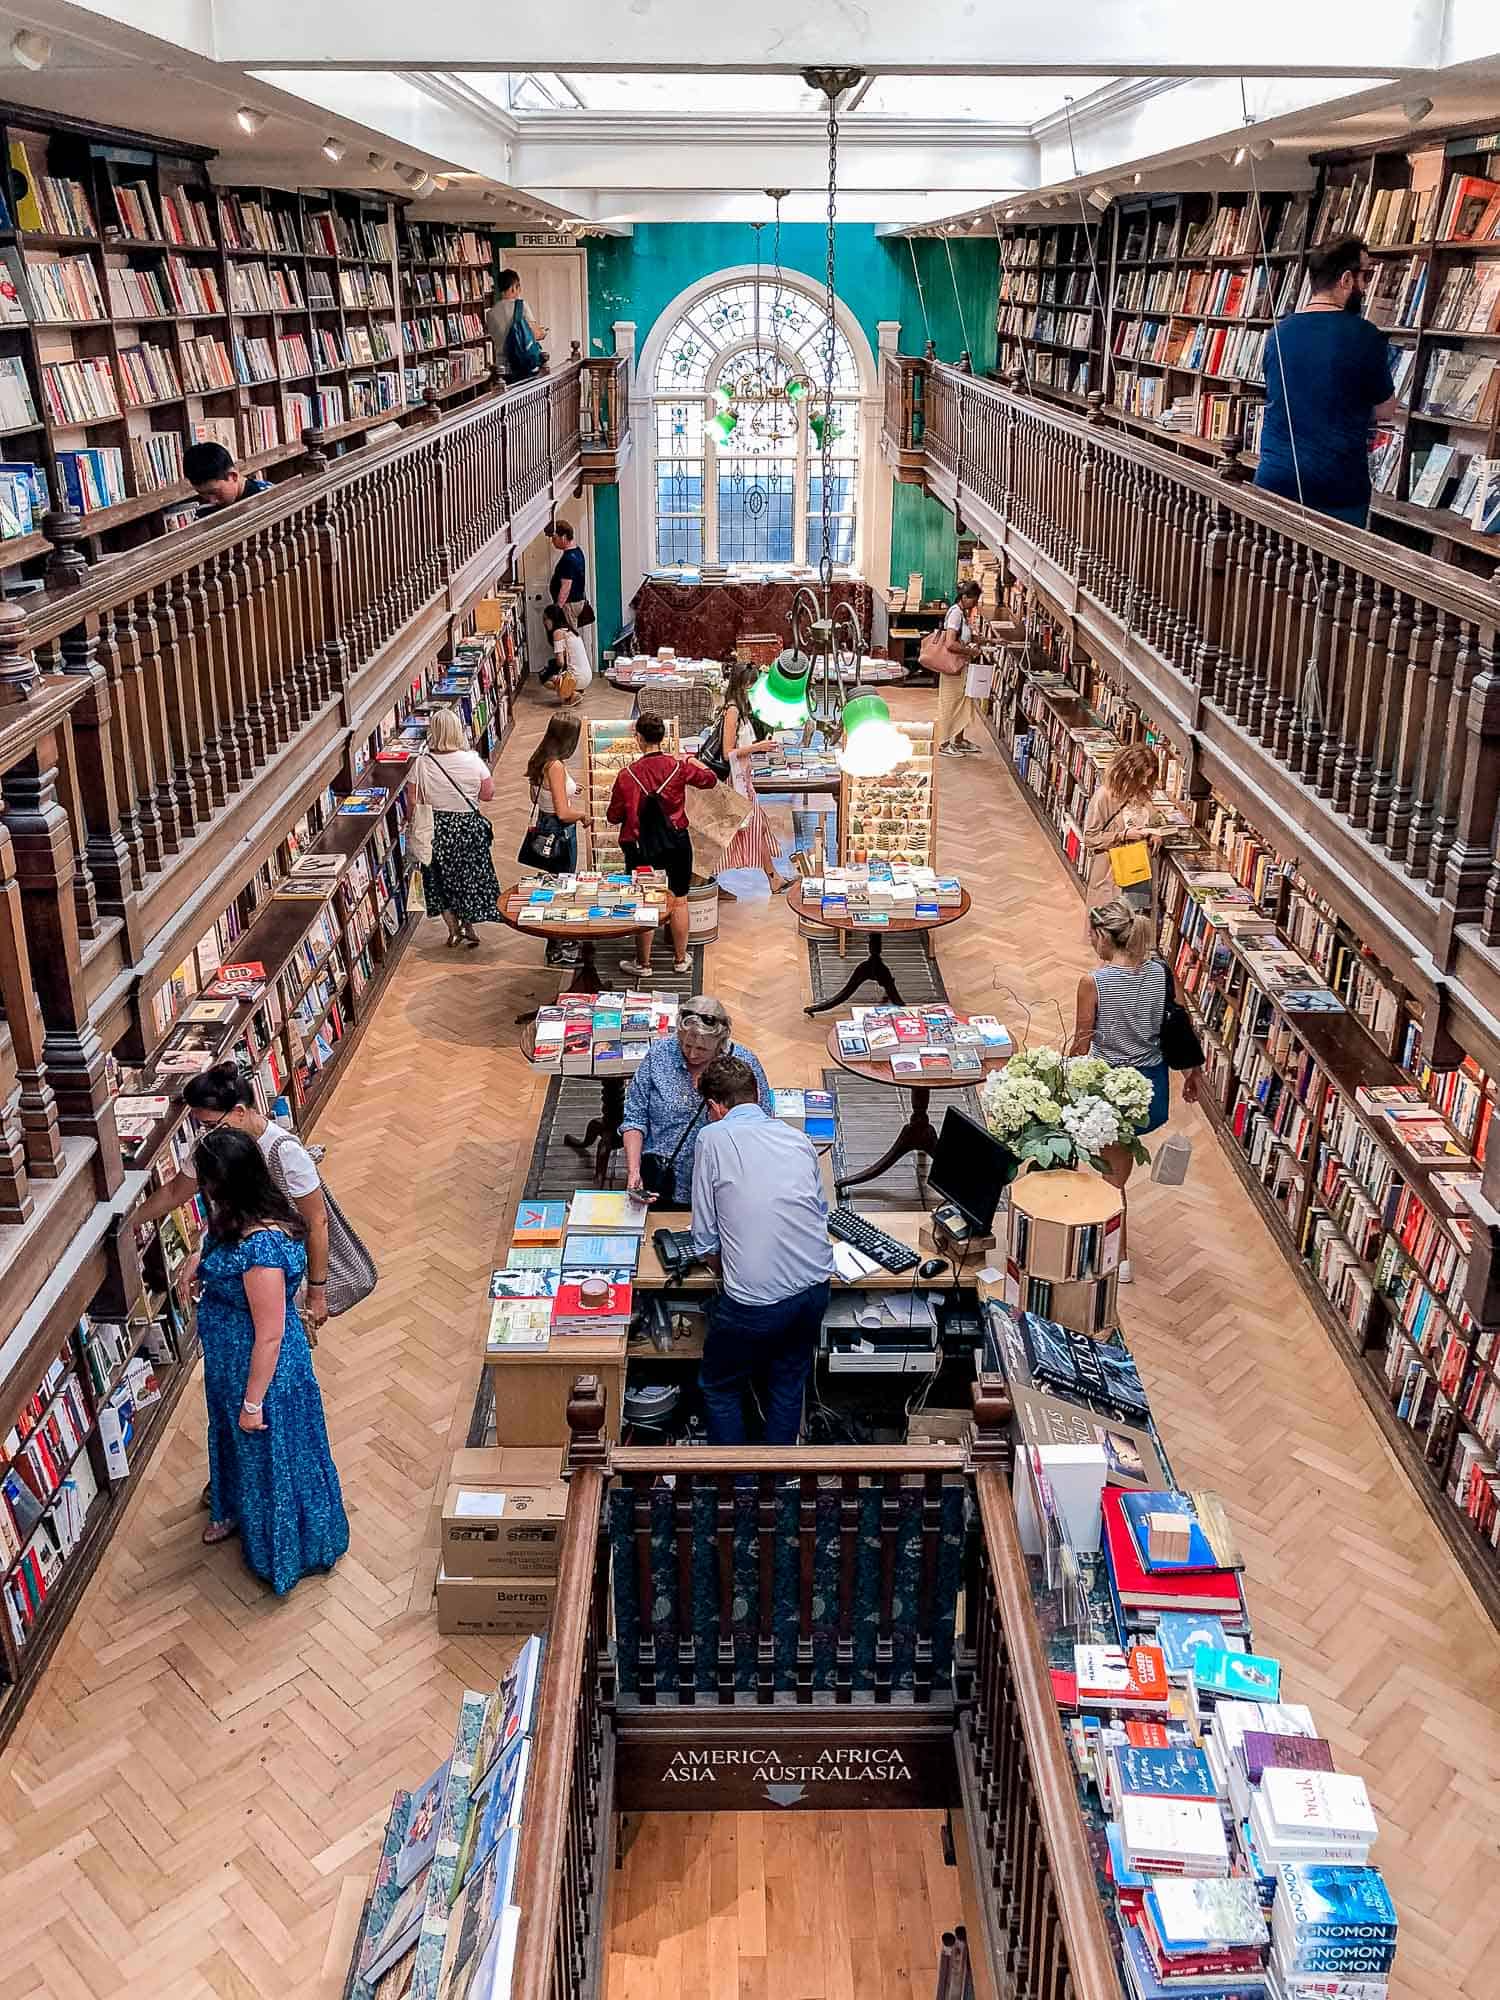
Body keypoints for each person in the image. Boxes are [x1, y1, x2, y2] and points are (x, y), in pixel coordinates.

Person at [191, 1127, 350, 1590]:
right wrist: (197, 1266)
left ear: (225, 1184)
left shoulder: (260, 1247)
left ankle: (287, 1549)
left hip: (261, 1376)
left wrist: (253, 1402)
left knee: (273, 1455)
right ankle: (236, 1509)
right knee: (245, 1450)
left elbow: (270, 1335)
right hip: (233, 1367)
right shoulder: (241, 1218)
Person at [690, 1054, 834, 1445]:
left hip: (755, 1302)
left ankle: (737, 1487)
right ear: (757, 1095)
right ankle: (780, 1482)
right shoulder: (799, 1139)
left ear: (714, 1107)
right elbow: (818, 1211)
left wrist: (723, 1265)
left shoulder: (713, 1138)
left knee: (721, 1386)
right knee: (787, 1383)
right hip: (815, 1288)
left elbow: (704, 1237)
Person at [136, 1063, 332, 1334]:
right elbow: (174, 1192)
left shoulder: (285, 1153)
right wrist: (127, 1222)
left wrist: (317, 1293)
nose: (207, 1133)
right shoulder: (211, 1146)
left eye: (211, 1124)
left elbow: (317, 1220)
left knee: (273, 1340)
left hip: (276, 1268)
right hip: (238, 1273)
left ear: (239, 1112)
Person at [1069, 899, 1200, 1284]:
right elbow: (1178, 1025)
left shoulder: (1094, 982)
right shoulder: (1160, 971)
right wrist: (1193, 1075)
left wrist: (1064, 1079)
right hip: (1153, 1089)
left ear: (1102, 937)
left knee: (1112, 1179)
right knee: (1112, 1172)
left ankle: (1117, 1258)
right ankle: (1102, 1238)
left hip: (1111, 1093)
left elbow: (1081, 1042)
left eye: (1091, 936)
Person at [1254, 237, 1398, 529]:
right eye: (1365, 276)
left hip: (1276, 475)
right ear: (1346, 279)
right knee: (1331, 572)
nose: (1366, 287)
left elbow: (1280, 394)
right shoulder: (1365, 335)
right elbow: (1385, 411)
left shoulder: (1278, 334)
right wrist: (1354, 408)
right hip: (1336, 485)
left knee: (1269, 569)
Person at [621, 996, 771, 1211]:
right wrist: (634, 1170)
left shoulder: (745, 1065)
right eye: (685, 1045)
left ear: (721, 1043)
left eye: (701, 1050)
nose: (691, 1054)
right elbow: (635, 1117)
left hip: (722, 1185)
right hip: (661, 1180)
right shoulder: (660, 1054)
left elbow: (761, 1122)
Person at [605, 711, 715, 975]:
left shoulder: (626, 774)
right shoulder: (678, 767)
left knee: (645, 900)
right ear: (663, 737)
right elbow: (710, 780)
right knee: (679, 899)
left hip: (640, 846)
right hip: (676, 840)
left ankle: (643, 964)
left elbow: (613, 815)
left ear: (639, 738)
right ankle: (680, 959)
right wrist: (693, 761)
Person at [407, 706, 498, 948]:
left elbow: (413, 802)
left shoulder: (421, 764)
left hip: (436, 829)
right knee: (467, 879)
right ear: (457, 730)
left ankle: (453, 929)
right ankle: (469, 925)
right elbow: (488, 794)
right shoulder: (473, 761)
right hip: (467, 828)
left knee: (439, 881)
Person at [713, 661, 795, 895]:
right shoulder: (732, 711)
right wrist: (758, 747)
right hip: (734, 783)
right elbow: (729, 750)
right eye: (749, 686)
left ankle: (773, 878)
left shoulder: (742, 710)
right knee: (726, 833)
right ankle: (708, 882)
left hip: (744, 780)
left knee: (755, 828)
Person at [523, 713, 587, 964]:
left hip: (543, 822)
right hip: (559, 829)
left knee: (552, 883)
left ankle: (557, 940)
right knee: (562, 885)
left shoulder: (541, 759)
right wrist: (583, 816)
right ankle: (559, 945)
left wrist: (570, 788)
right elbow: (563, 812)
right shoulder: (556, 766)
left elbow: (536, 796)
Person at [1082, 741, 1165, 915]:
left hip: (1139, 871)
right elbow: (1090, 838)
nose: (1144, 782)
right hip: (1113, 873)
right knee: (1113, 926)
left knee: (1133, 924)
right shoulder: (1105, 796)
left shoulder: (1142, 793)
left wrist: (1155, 834)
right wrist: (1124, 835)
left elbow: (1153, 821)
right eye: (1141, 776)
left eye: (1148, 777)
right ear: (1127, 773)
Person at [934, 581, 983, 757]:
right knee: (950, 704)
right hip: (952, 668)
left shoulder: (962, 613)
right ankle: (944, 743)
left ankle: (959, 739)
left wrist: (987, 642)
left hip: (961, 667)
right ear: (964, 597)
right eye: (974, 600)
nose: (975, 604)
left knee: (963, 703)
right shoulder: (955, 614)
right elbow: (950, 643)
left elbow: (965, 636)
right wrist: (971, 651)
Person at [486, 268, 546, 384]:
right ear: (514, 287)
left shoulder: (490, 313)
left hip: (502, 370)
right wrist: (543, 332)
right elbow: (535, 334)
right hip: (523, 366)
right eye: (518, 287)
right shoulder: (521, 306)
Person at [184, 441, 272, 514]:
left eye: (214, 492)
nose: (212, 501)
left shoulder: (270, 496)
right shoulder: (204, 510)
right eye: (201, 494)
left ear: (233, 476)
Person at [540, 605, 593, 704]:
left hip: (577, 677)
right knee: (552, 666)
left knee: (544, 676)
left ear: (552, 619)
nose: (544, 623)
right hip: (587, 676)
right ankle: (578, 690)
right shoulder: (570, 630)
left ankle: (572, 693)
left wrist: (554, 672)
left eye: (545, 619)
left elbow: (560, 662)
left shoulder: (557, 633)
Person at [548, 520, 587, 623]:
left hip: (569, 604)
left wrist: (558, 608)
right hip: (577, 601)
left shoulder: (568, 559)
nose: (553, 542)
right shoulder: (578, 552)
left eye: (554, 538)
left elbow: (566, 586)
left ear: (564, 537)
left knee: (569, 635)